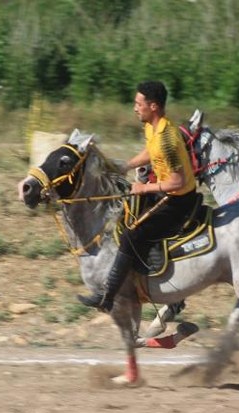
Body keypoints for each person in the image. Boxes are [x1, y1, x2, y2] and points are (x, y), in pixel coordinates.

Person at [77, 81, 198, 313]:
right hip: (163, 191)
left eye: (138, 103)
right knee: (125, 215)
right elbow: (151, 153)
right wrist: (127, 165)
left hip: (179, 201)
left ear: (153, 106)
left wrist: (143, 189)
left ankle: (108, 297)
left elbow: (178, 181)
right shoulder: (152, 128)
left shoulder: (168, 138)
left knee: (132, 235)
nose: (135, 108)